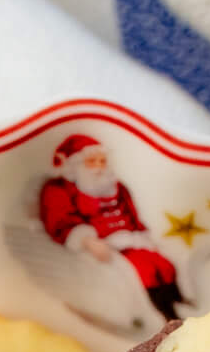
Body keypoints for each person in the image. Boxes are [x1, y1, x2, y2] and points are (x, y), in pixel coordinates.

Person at [37, 132, 184, 318]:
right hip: (101, 245)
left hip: (131, 241)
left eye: (102, 161)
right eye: (92, 161)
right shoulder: (59, 189)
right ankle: (163, 315)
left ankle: (178, 304)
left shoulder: (116, 186)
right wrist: (87, 240)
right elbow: (61, 220)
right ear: (75, 165)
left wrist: (142, 236)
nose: (98, 167)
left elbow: (132, 215)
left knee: (163, 265)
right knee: (144, 271)